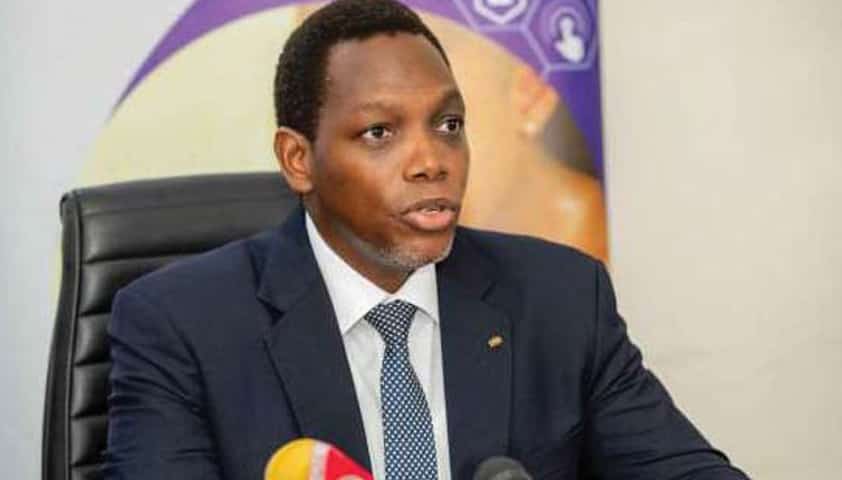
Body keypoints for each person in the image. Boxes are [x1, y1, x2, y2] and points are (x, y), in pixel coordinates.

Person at [105, 1, 747, 479]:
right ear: (298, 160)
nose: (432, 161)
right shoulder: (181, 326)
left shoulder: (561, 299)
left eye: (448, 124)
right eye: (379, 133)